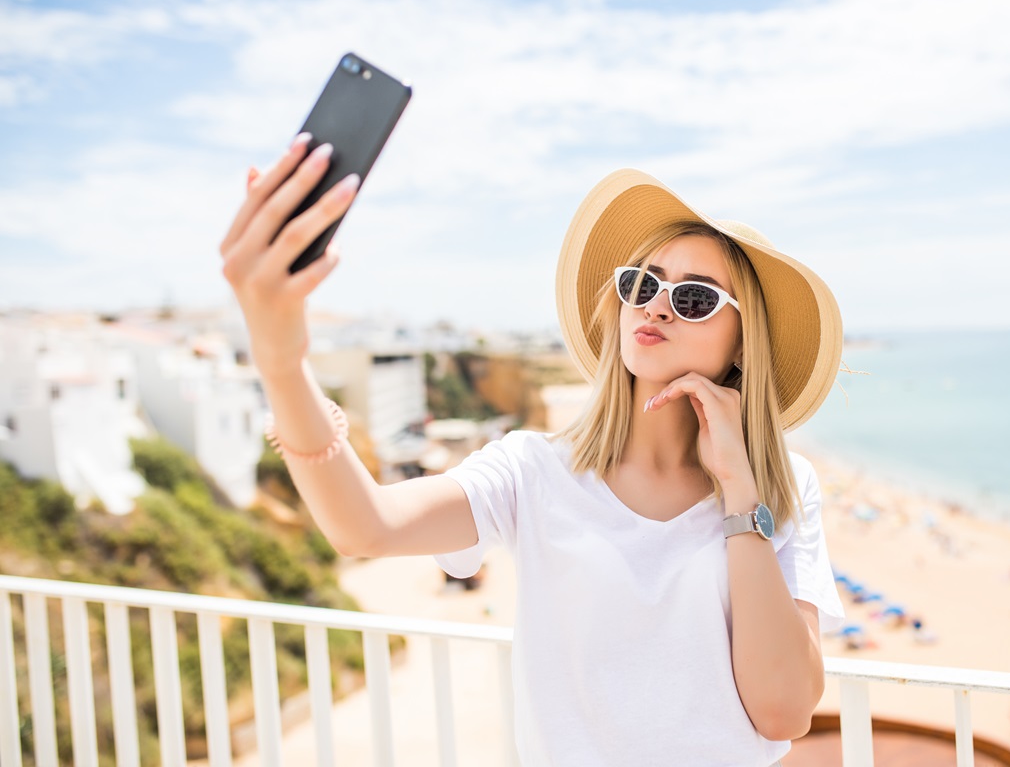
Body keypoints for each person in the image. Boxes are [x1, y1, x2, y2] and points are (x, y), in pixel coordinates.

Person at [220, 140, 846, 766]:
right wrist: (281, 364)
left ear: (742, 343)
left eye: (695, 298)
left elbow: (785, 710)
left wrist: (740, 492)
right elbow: (367, 526)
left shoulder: (782, 487)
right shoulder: (533, 471)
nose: (655, 304)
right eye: (642, 282)